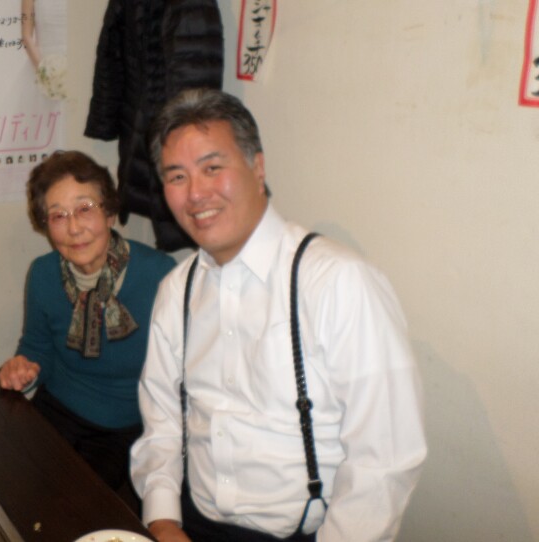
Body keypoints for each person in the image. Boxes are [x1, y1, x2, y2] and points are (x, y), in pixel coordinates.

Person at [130, 88, 427, 541]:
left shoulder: (338, 283)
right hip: (192, 523)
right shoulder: (177, 290)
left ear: (257, 167)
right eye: (177, 176)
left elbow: (383, 461)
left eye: (212, 168)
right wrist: (164, 520)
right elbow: (162, 423)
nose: (196, 193)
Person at [0, 150, 176, 508]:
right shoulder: (43, 272)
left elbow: (178, 378)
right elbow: (36, 347)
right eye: (58, 215)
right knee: (7, 484)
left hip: (125, 425)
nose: (74, 228)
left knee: (70, 507)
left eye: (84, 209)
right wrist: (23, 368)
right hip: (55, 409)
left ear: (109, 213)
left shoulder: (160, 275)